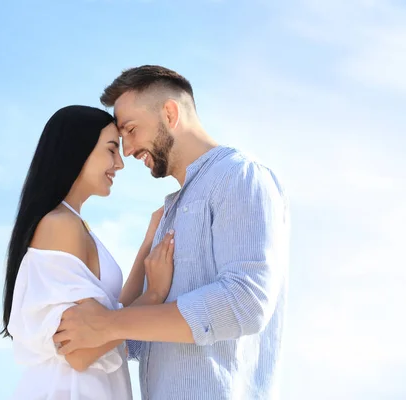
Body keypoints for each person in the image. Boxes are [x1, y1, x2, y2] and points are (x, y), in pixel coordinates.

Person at [52, 66, 291, 399]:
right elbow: (144, 340)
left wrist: (108, 323)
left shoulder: (240, 176)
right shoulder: (169, 214)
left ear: (170, 112)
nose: (129, 150)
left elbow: (246, 302)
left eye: (131, 130)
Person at [0, 105, 175, 400]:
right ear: (76, 152)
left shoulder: (74, 224)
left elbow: (111, 315)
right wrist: (154, 295)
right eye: (110, 150)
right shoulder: (60, 225)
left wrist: (148, 243)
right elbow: (79, 352)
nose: (119, 163)